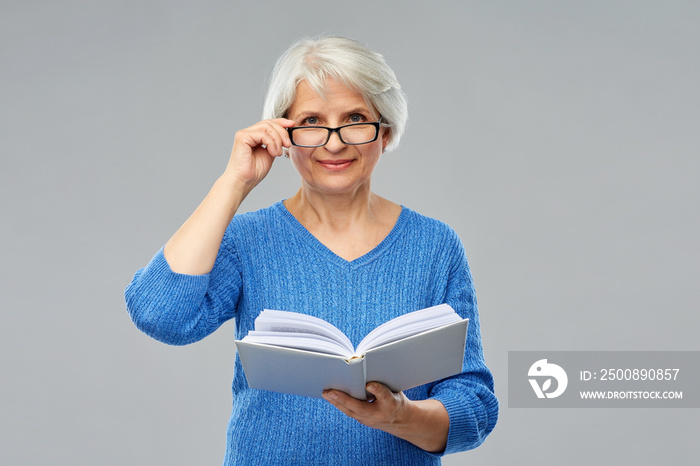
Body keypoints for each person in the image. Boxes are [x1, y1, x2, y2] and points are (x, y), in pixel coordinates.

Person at [125, 36, 498, 465]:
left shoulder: (434, 246)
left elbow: (474, 406)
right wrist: (235, 182)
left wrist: (401, 416)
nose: (334, 143)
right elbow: (161, 315)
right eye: (311, 121)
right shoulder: (247, 240)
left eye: (356, 118)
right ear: (283, 132)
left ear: (386, 130)